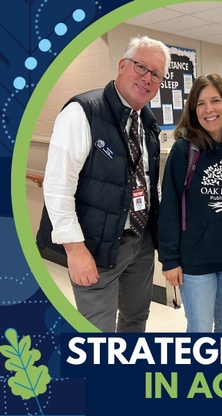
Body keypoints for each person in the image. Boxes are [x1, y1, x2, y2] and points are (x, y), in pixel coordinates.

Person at [36, 35, 171, 332]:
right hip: (95, 247)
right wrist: (75, 250)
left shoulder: (147, 123)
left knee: (136, 319)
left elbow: (145, 181)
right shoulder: (83, 111)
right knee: (98, 333)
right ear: (122, 66)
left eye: (156, 74)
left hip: (140, 241)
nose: (147, 78)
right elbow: (58, 186)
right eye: (140, 67)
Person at [157, 73, 222, 332]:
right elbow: (169, 208)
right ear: (193, 110)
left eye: (215, 101)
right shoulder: (183, 151)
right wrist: (169, 260)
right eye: (200, 103)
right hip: (195, 262)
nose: (209, 109)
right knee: (199, 330)